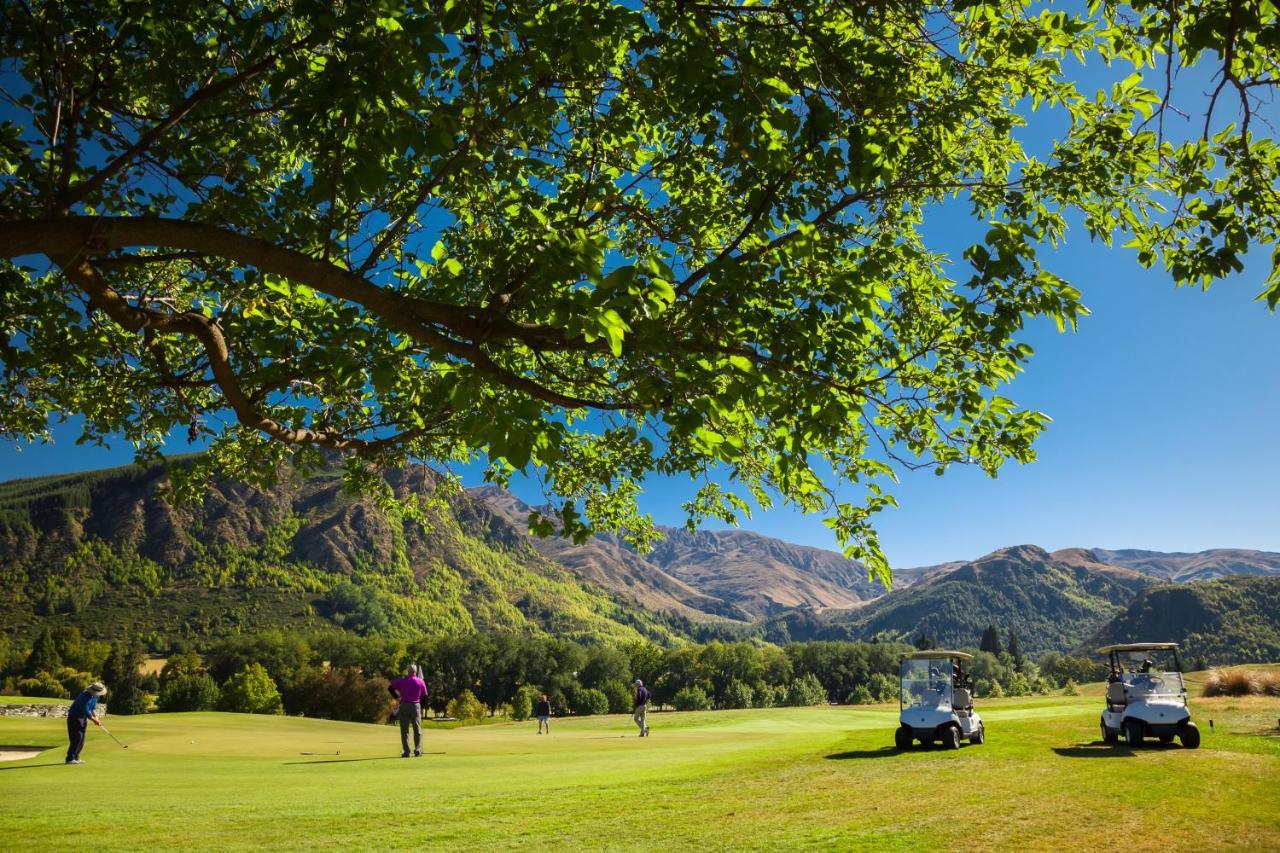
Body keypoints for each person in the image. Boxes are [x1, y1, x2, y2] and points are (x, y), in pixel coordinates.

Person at [387, 664, 429, 757]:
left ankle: (406, 751)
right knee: (417, 729)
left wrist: (397, 698)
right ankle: (417, 750)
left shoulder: (402, 680)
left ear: (408, 671)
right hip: (416, 706)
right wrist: (422, 708)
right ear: (415, 672)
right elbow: (425, 695)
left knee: (404, 730)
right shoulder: (420, 681)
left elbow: (390, 688)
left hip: (404, 705)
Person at [66, 682, 106, 765]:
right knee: (77, 738)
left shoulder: (95, 697)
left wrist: (96, 717)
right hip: (74, 718)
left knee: (82, 739)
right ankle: (70, 758)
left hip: (82, 718)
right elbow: (86, 711)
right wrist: (94, 720)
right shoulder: (84, 697)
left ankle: (76, 757)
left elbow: (92, 709)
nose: (98, 695)